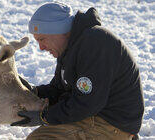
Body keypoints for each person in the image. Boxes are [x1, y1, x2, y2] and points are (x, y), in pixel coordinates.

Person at [11, 2, 144, 140]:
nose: (41, 48)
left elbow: (86, 103)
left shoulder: (95, 43)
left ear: (59, 31)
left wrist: (44, 117)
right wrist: (33, 92)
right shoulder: (71, 47)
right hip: (94, 118)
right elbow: (60, 89)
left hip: (111, 124)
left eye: (42, 39)